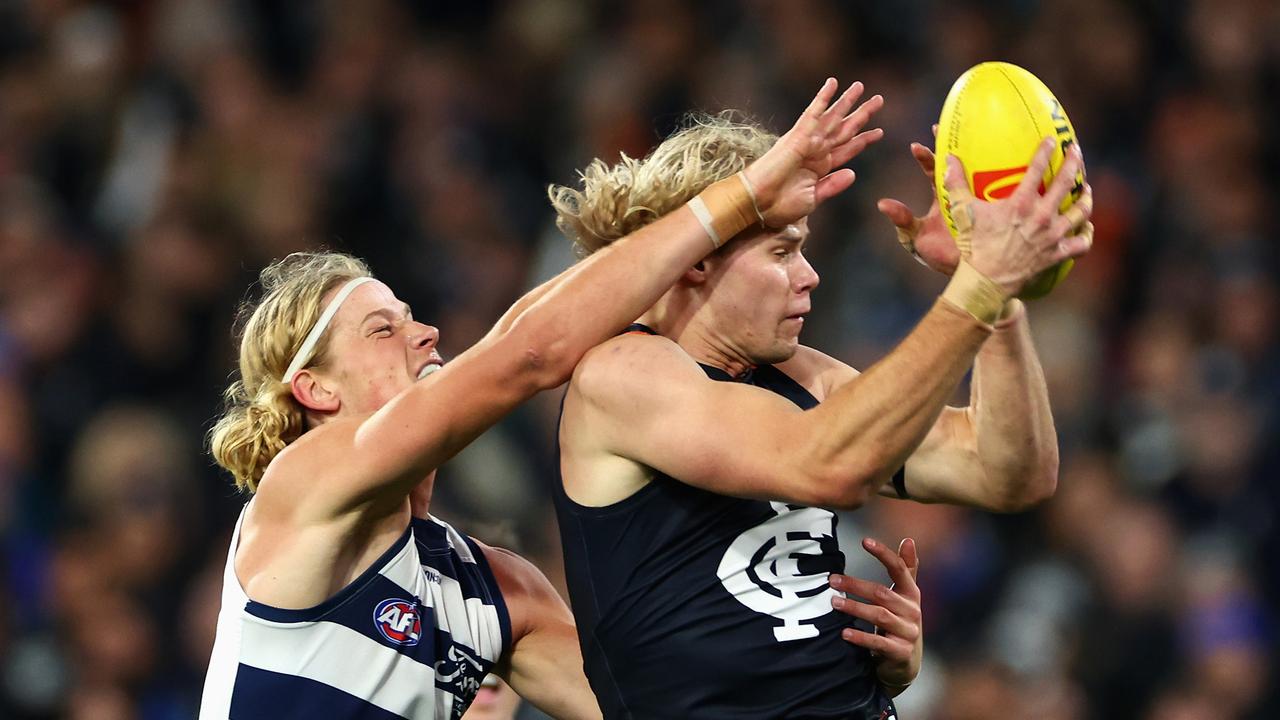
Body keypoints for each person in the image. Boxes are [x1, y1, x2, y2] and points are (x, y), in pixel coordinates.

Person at [197, 78, 885, 719]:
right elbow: (528, 353)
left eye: (414, 317)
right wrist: (741, 196)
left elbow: (653, 703)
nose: (428, 334)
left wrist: (879, 671)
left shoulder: (495, 594)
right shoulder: (299, 492)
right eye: (384, 329)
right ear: (314, 390)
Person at [549, 109, 1093, 718]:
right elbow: (828, 465)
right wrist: (979, 287)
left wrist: (991, 285)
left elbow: (1008, 472)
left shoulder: (799, 375)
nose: (809, 277)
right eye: (782, 251)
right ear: (697, 260)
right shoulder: (621, 374)